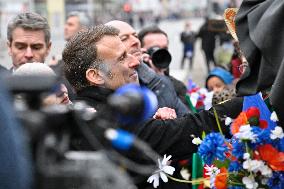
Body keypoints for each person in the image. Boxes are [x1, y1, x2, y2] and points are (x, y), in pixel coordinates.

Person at [62, 25, 243, 188]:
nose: (135, 62)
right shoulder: (102, 119)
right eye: (122, 57)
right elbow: (196, 127)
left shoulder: (89, 112)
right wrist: (254, 101)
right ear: (95, 75)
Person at [106, 20, 189, 117]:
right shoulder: (105, 89)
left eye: (135, 36)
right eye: (124, 38)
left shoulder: (162, 83)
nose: (135, 41)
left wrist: (156, 78)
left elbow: (187, 120)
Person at [137, 25, 189, 105]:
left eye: (165, 49)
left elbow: (184, 114)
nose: (162, 53)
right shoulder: (134, 87)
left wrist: (160, 78)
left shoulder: (178, 86)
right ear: (141, 52)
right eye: (155, 49)